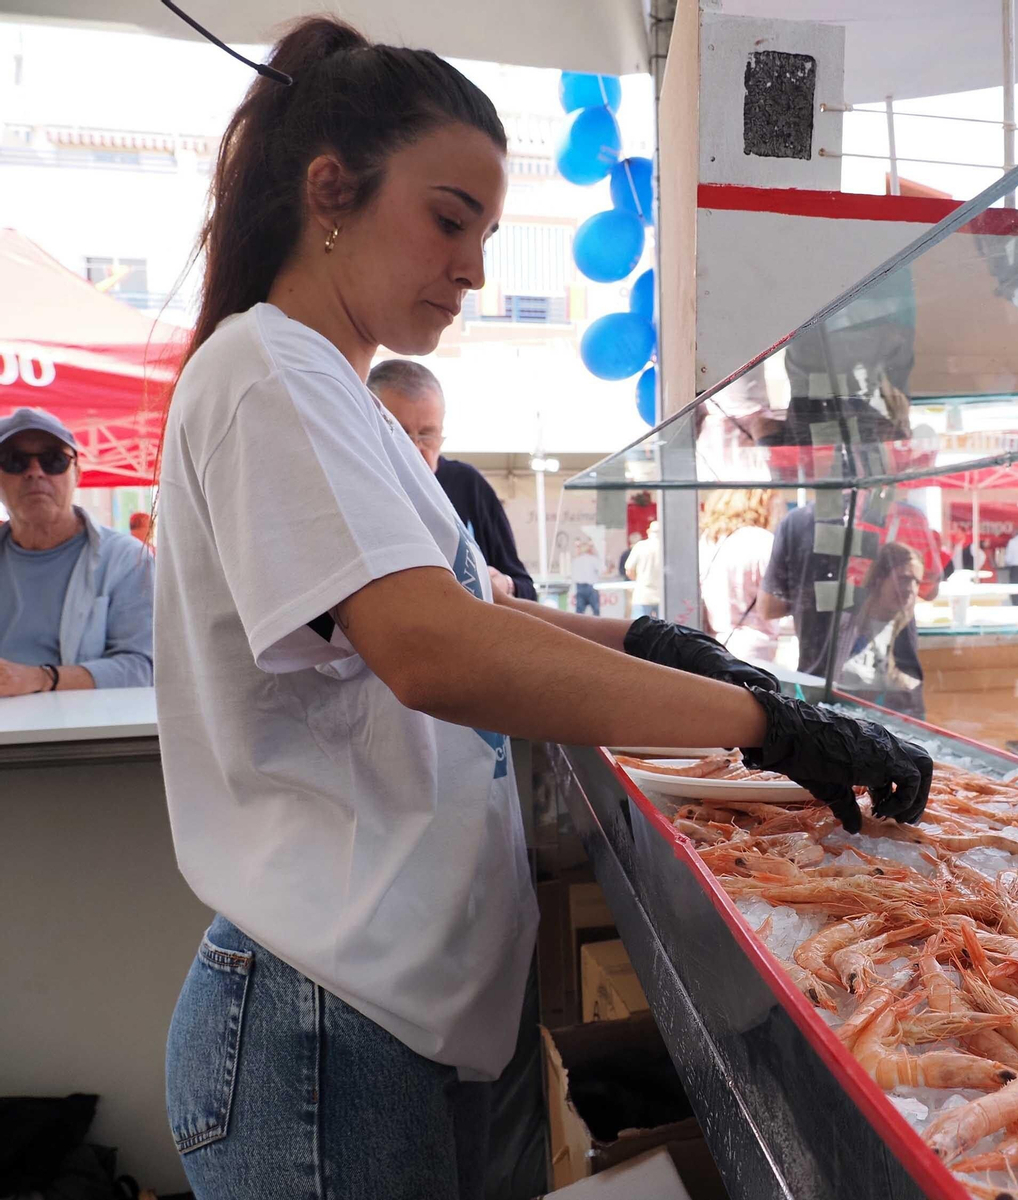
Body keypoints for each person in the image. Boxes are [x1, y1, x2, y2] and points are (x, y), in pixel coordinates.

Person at [152, 21, 931, 1199]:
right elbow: (430, 649)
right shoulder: (265, 370)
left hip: (415, 1008)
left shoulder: (347, 398)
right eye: (449, 218)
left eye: (486, 235)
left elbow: (484, 608)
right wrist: (759, 724)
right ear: (330, 191)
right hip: (323, 1024)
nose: (471, 267)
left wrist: (663, 646)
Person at [0, 407, 153, 695]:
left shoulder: (127, 559)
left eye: (53, 460)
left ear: (77, 474)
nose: (35, 472)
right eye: (14, 461)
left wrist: (41, 678)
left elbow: (146, 668)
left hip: (83, 737)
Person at [368, 358, 536, 601]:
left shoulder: (468, 484)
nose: (415, 449)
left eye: (427, 434)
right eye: (400, 434)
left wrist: (504, 585)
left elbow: (526, 588)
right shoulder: (359, 488)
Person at [758, 499, 939, 677]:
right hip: (879, 672)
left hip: (830, 672)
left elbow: (768, 607)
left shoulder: (801, 521)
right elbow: (930, 589)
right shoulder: (909, 517)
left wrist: (815, 596)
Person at [833, 542, 926, 716]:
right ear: (879, 579)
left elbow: (914, 703)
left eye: (916, 582)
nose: (910, 590)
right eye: (904, 579)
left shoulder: (905, 626)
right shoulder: (848, 617)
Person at [699, 489, 783, 664]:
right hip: (755, 650)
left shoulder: (708, 541)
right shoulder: (762, 542)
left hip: (712, 644)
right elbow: (779, 601)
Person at [625, 519, 664, 618]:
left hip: (643, 594)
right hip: (662, 594)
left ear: (648, 531)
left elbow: (629, 569)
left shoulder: (640, 546)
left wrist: (638, 579)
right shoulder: (666, 547)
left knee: (640, 628)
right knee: (664, 628)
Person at [569, 537, 602, 616]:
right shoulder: (593, 559)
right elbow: (601, 570)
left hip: (580, 587)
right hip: (591, 587)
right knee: (596, 612)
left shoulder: (575, 560)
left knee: (579, 613)